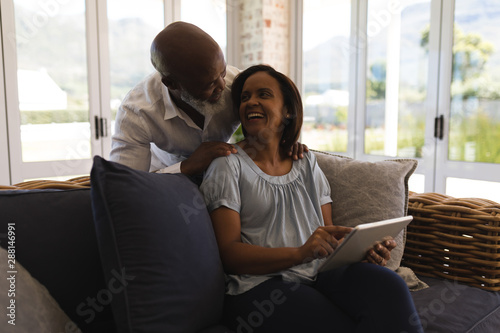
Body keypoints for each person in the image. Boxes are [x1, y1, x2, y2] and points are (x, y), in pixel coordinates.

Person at [200, 64, 423, 333]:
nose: (251, 102)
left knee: (389, 285)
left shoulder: (306, 163)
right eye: (245, 97)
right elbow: (229, 253)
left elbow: (328, 236)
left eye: (263, 94)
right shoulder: (227, 166)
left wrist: (362, 252)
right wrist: (300, 253)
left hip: (320, 273)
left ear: (288, 111)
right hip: (260, 285)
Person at [110, 21, 305, 176]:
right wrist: (186, 166)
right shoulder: (136, 113)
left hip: (223, 175)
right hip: (168, 181)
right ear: (171, 84)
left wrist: (286, 141)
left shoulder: (237, 84)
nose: (222, 85)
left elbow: (276, 111)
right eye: (209, 84)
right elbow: (126, 183)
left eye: (222, 72)